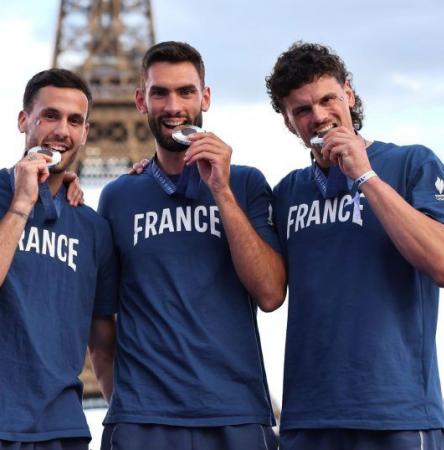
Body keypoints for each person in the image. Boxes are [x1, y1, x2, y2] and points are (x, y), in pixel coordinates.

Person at [93, 41, 286, 450]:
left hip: (236, 412)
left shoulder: (247, 183)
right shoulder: (117, 197)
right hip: (142, 419)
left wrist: (222, 191)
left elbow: (270, 294)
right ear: (140, 102)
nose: (173, 105)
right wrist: (127, 404)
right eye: (159, 92)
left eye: (186, 91)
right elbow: (101, 319)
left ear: (206, 97)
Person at [0, 68, 118, 450]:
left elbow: (103, 344)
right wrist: (22, 202)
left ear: (86, 132)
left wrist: (122, 426)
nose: (62, 129)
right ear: (23, 120)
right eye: (50, 115)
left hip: (61, 430)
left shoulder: (94, 229)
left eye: (74, 120)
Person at [266, 41, 444, 450]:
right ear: (288, 122)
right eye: (302, 110)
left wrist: (366, 178)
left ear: (349, 93)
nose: (320, 116)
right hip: (307, 419)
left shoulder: (412, 163)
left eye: (328, 99)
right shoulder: (287, 192)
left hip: (396, 412)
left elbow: (441, 262)